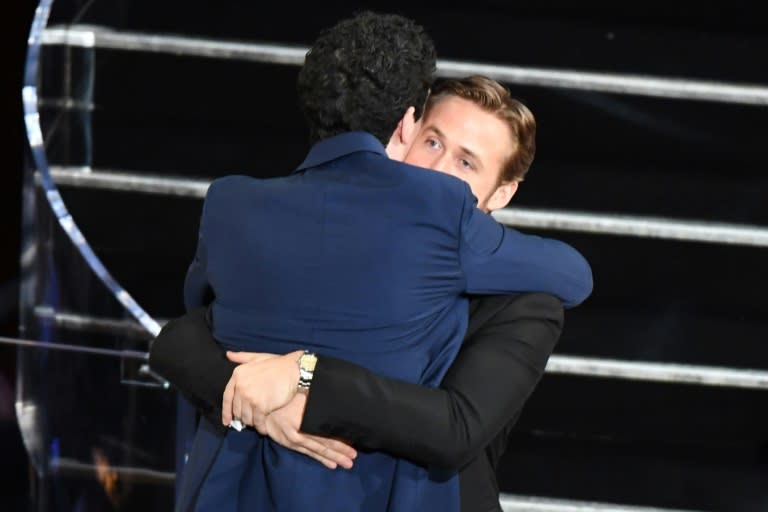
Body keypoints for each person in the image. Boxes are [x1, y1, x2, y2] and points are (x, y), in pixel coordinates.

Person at [176, 10, 591, 512]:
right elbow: (183, 339)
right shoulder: (305, 223)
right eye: (432, 142)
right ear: (404, 131)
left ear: (502, 193)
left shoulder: (525, 301)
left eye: (465, 162)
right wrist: (259, 405)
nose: (438, 169)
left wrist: (304, 376)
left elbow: (453, 427)